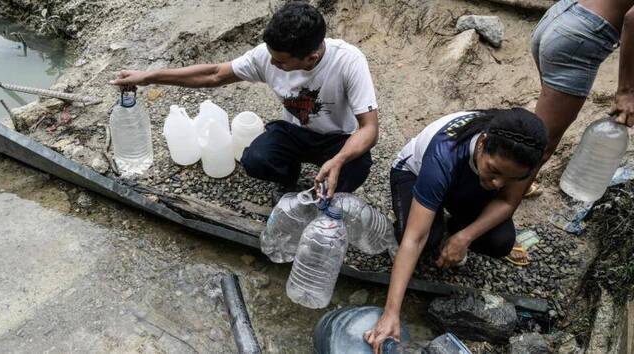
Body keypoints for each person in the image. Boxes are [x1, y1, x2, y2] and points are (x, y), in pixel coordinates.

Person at [110, 2, 379, 201]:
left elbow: (369, 129)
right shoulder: (268, 55)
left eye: (281, 62)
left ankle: (323, 188)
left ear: (310, 58)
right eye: (271, 56)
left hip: (337, 139)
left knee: (357, 166)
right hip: (295, 132)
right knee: (256, 159)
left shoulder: (348, 61)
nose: (271, 64)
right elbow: (214, 74)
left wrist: (340, 158)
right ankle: (289, 179)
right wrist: (150, 76)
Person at [364, 108, 548, 352]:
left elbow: (506, 202)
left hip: (465, 183)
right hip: (414, 173)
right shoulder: (445, 152)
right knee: (426, 241)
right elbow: (415, 238)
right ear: (482, 144)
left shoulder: (524, 154)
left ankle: (451, 225)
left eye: (509, 179)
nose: (499, 184)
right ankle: (421, 216)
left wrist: (464, 236)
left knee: (501, 241)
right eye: (494, 171)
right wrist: (390, 313)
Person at [529, 0, 634, 186]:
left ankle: (513, 185)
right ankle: (498, 202)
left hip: (562, 15)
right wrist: (626, 91)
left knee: (538, 132)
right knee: (539, 148)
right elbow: (632, 19)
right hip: (581, 38)